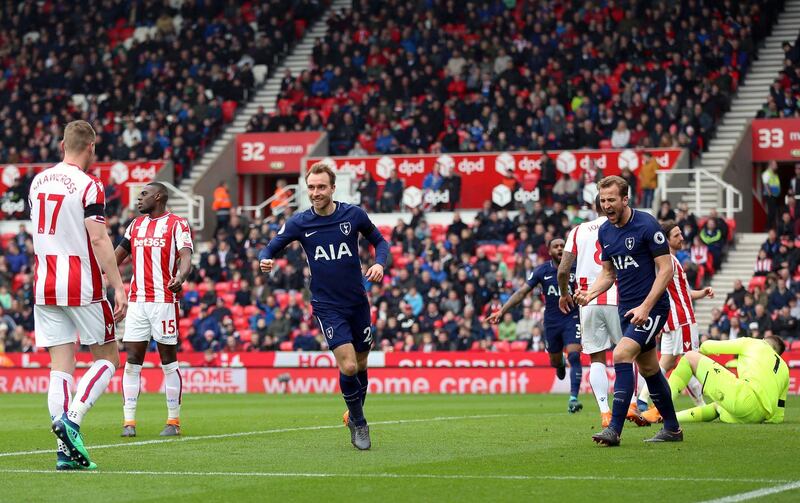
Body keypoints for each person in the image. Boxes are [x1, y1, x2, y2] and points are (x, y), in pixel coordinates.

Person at [259, 163, 389, 450]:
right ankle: (359, 422)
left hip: (357, 302)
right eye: (312, 187)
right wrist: (264, 259)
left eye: (321, 187)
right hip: (327, 305)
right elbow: (271, 246)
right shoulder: (299, 222)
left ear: (332, 188)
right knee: (349, 365)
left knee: (363, 363)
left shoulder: (353, 215)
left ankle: (355, 412)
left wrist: (379, 262)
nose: (316, 192)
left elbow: (380, 241)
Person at [30, 120, 127, 470]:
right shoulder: (90, 185)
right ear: (91, 147)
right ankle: (72, 420)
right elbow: (99, 239)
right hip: (81, 283)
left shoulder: (38, 181)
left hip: (44, 283)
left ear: (61, 145)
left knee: (61, 368)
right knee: (109, 359)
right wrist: (118, 285)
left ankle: (64, 453)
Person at [575, 175, 682, 446]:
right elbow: (608, 273)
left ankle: (614, 429)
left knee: (621, 353)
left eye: (611, 199)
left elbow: (666, 269)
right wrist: (590, 294)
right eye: (602, 200)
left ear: (625, 199)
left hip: (653, 307)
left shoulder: (646, 224)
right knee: (649, 369)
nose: (606, 205)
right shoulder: (605, 232)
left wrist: (646, 307)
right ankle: (672, 429)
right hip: (626, 310)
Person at [559, 197, 648, 428]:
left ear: (592, 208)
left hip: (588, 299)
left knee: (596, 357)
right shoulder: (619, 226)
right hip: (618, 296)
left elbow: (563, 269)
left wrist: (563, 293)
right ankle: (630, 404)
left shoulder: (578, 231)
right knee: (630, 354)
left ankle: (605, 412)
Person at [115, 182, 194, 438]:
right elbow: (116, 256)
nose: (139, 199)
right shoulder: (135, 226)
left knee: (168, 362)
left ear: (158, 196)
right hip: (137, 302)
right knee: (132, 362)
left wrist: (181, 277)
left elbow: (185, 257)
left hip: (163, 302)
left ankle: (173, 421)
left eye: (144, 195)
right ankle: (129, 422)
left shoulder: (177, 224)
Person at [488, 239, 583, 413]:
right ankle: (559, 363)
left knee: (575, 355)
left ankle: (573, 398)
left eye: (563, 246)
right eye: (556, 246)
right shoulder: (541, 271)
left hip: (572, 317)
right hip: (552, 321)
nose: (560, 248)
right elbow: (522, 292)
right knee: (555, 361)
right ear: (549, 251)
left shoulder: (577, 268)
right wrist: (502, 311)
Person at [636, 221, 715, 422]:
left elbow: (685, 293)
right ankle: (701, 406)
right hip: (683, 320)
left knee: (664, 363)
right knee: (690, 362)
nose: (681, 238)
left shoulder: (668, 261)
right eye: (677, 235)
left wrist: (702, 293)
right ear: (667, 239)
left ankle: (642, 400)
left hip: (673, 322)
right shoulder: (668, 261)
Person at [668, 336, 788, 424]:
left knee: (689, 357)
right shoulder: (784, 369)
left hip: (744, 398)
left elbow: (708, 346)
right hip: (757, 416)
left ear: (763, 340)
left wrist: (700, 352)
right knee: (718, 407)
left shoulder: (754, 343)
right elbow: (778, 416)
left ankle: (661, 408)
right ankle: (672, 417)